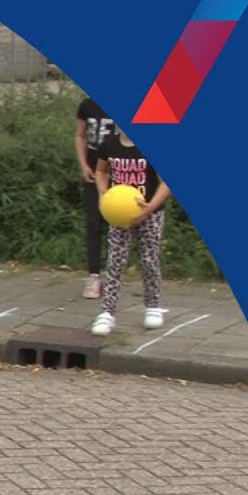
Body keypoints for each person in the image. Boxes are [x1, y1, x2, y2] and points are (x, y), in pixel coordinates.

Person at [91, 129, 170, 336]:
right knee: (115, 262)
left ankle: (153, 306)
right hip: (119, 216)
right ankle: (107, 313)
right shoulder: (109, 144)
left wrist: (150, 208)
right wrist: (104, 192)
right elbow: (101, 172)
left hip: (150, 215)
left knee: (149, 259)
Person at [75, 97, 116, 299]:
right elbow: (80, 136)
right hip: (93, 174)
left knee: (116, 225)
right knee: (94, 223)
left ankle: (113, 274)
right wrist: (84, 165)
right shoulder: (87, 105)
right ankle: (94, 276)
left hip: (118, 175)